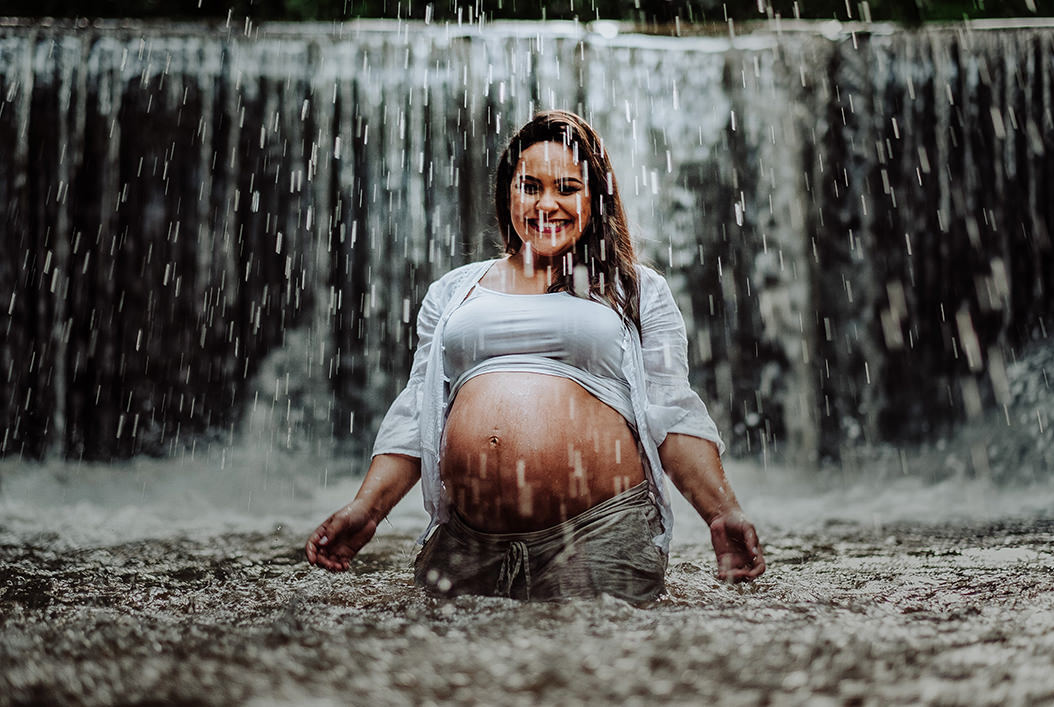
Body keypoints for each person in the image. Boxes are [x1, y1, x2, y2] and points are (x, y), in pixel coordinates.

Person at [305, 109, 765, 601]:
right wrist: (367, 509)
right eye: (531, 186)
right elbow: (418, 411)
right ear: (508, 192)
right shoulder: (454, 292)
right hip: (470, 543)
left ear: (595, 197)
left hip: (599, 534)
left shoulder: (633, 289)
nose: (548, 204)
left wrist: (721, 512)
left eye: (567, 188)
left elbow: (670, 411)